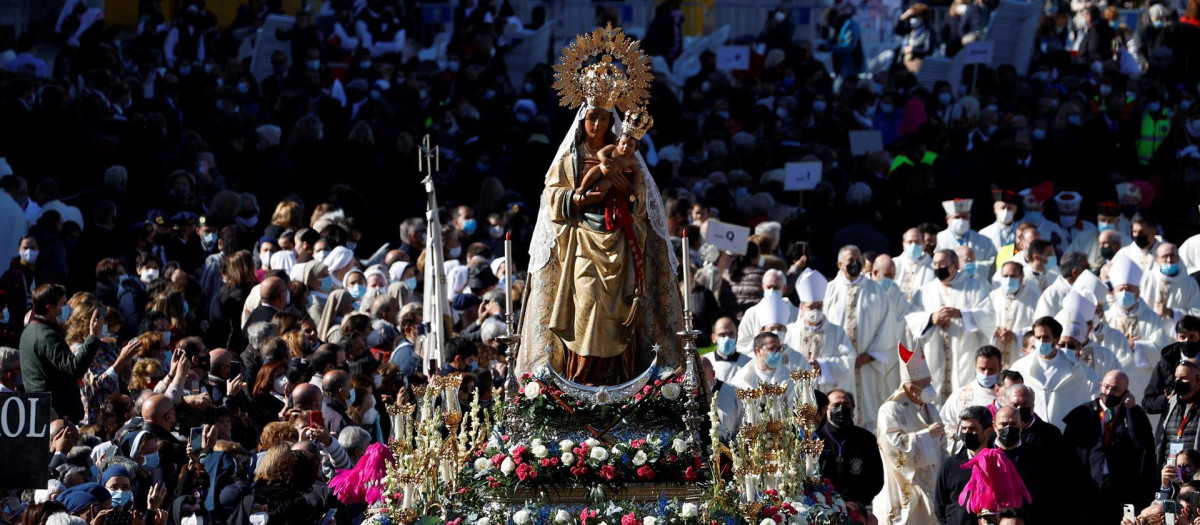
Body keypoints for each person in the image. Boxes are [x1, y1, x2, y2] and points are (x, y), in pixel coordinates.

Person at [515, 34, 683, 386]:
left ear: (612, 123)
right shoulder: (571, 158)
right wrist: (578, 200)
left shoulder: (627, 158)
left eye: (603, 120)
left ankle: (618, 380)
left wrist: (632, 200)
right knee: (586, 306)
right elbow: (552, 200)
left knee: (618, 311)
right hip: (581, 244)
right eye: (591, 118)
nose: (596, 125)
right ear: (583, 119)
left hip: (618, 243)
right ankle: (580, 379)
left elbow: (643, 209)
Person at [1062, 370, 1158, 525]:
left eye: (1115, 390)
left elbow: (1141, 442)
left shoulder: (1133, 413)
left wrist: (1131, 409)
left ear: (1125, 393)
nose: (1109, 392)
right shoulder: (1082, 413)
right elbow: (1067, 452)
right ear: (1100, 385)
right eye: (1106, 387)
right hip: (1089, 489)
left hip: (1120, 491)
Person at [906, 249, 994, 404]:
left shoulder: (975, 286)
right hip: (934, 349)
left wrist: (961, 314)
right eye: (935, 264)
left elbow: (988, 314)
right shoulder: (925, 290)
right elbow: (911, 316)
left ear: (954, 265)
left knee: (962, 389)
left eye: (942, 264)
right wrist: (932, 318)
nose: (938, 267)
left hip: (964, 349)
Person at [821, 246, 895, 430]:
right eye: (850, 261)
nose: (855, 264)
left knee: (869, 413)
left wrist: (868, 356)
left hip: (868, 365)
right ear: (839, 265)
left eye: (858, 261)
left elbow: (887, 327)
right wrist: (840, 361)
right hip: (838, 367)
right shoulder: (828, 290)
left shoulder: (876, 290)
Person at [873, 343, 944, 524]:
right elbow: (894, 448)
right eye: (925, 384)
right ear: (911, 388)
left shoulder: (930, 409)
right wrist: (926, 436)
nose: (930, 387)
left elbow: (941, 445)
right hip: (901, 486)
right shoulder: (890, 410)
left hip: (931, 485)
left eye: (929, 382)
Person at [18, 284, 104, 421]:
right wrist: (93, 337)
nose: (68, 308)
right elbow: (74, 368)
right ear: (50, 307)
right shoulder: (46, 335)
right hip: (57, 413)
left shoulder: (32, 330)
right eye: (63, 304)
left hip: (45, 408)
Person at [1007, 316, 1099, 429]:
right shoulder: (1021, 366)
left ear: (1056, 339)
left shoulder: (1073, 367)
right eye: (1038, 337)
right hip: (1031, 432)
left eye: (1046, 338)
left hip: (1064, 432)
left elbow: (1082, 402)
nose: (1041, 342)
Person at [1104, 253, 1168, 395]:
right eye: (1121, 289)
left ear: (1137, 293)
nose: (1125, 292)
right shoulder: (1106, 318)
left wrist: (1137, 346)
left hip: (1142, 380)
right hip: (1112, 381)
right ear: (1113, 293)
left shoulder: (1152, 318)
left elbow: (1162, 350)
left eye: (1129, 289)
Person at [819, 389, 884, 508]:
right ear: (826, 409)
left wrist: (857, 502)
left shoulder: (866, 439)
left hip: (856, 506)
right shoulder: (817, 437)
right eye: (836, 405)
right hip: (823, 506)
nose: (841, 409)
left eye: (846, 405)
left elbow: (876, 479)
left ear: (853, 409)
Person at [934, 405, 993, 525]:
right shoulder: (950, 465)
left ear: (987, 431)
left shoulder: (999, 463)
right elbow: (940, 505)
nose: (967, 433)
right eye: (964, 429)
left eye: (972, 429)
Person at [939, 346, 1002, 441]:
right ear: (975, 366)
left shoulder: (1006, 396)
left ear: (1000, 368)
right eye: (982, 368)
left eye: (991, 369)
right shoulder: (960, 395)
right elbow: (944, 425)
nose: (986, 373)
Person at [1144, 316, 1200, 414]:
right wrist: (1166, 399)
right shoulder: (1166, 364)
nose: (1187, 341)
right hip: (1171, 423)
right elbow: (1148, 403)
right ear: (1177, 337)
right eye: (1183, 337)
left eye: (1192, 337)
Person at [736, 269, 796, 355]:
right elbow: (741, 346)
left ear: (784, 288)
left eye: (776, 287)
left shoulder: (795, 313)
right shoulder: (751, 313)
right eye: (769, 287)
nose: (772, 290)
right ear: (763, 287)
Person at [989, 262, 1038, 364]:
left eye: (1013, 276)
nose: (1008, 279)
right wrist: (993, 330)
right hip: (996, 351)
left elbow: (1038, 327)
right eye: (1005, 276)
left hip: (1018, 355)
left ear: (1021, 277)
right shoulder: (993, 297)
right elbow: (981, 320)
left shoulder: (1033, 299)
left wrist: (1016, 335)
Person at [1140, 243, 1200, 327]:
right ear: (1157, 260)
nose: (1169, 260)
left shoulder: (1189, 283)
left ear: (1178, 258)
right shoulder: (1146, 279)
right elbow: (1137, 307)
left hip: (1177, 336)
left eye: (1172, 255)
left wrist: (1172, 313)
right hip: (1151, 330)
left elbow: (1196, 313)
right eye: (1165, 256)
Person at [935, 199, 997, 280]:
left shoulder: (983, 240)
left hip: (976, 284)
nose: (961, 220)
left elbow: (993, 263)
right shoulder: (940, 238)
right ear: (947, 219)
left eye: (964, 217)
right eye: (957, 217)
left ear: (969, 217)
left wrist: (974, 267)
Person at [729, 331, 807, 392]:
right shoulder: (742, 379)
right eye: (772, 348)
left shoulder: (789, 378)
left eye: (779, 348)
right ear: (758, 351)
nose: (777, 352)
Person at [1156, 360, 1200, 465]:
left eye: (1183, 378)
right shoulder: (1172, 402)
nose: (1178, 382)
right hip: (1169, 473)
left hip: (1193, 475)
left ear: (1198, 379)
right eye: (1176, 378)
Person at [895, 227, 936, 302]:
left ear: (923, 245)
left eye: (917, 242)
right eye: (910, 242)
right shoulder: (894, 264)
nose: (913, 245)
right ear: (903, 244)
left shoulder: (933, 267)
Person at [709, 316, 749, 383]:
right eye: (722, 335)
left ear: (737, 336)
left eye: (731, 334)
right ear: (714, 338)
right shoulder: (706, 362)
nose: (727, 338)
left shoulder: (748, 363)